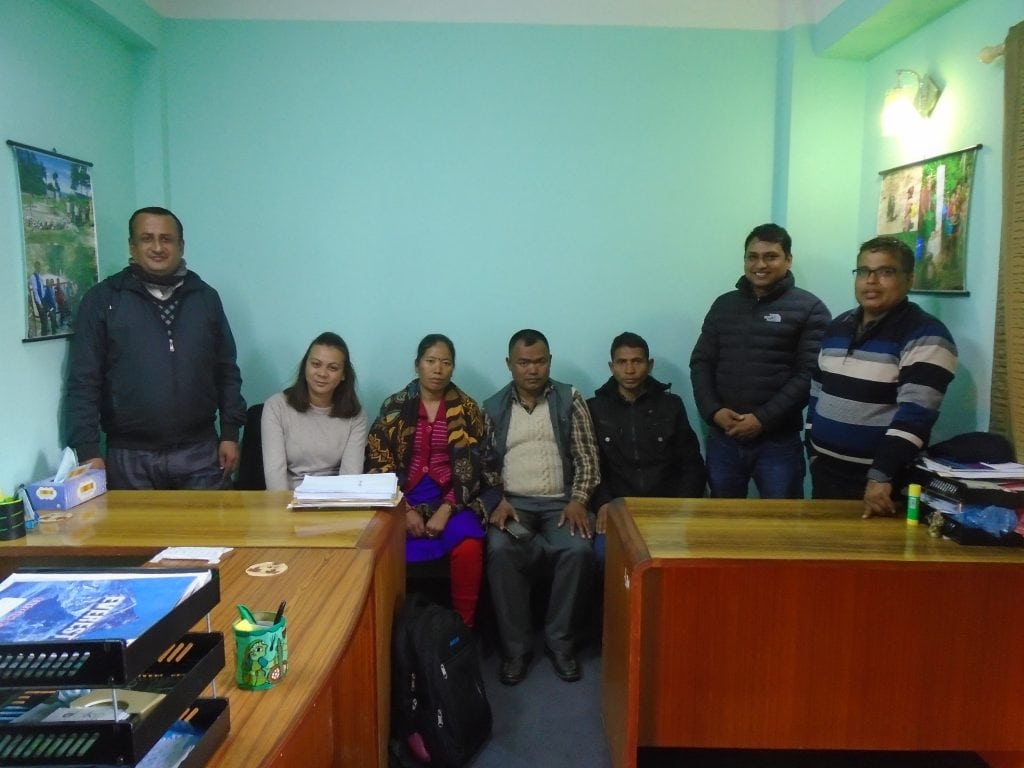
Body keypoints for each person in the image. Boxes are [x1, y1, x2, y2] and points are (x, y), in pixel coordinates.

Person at [66, 206, 246, 490]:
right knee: (136, 535)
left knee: (211, 534)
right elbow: (84, 381)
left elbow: (226, 370)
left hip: (200, 453)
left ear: (181, 245)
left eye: (167, 239)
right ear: (132, 246)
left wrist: (230, 433)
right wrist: (87, 450)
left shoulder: (205, 299)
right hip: (129, 458)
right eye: (147, 238)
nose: (158, 247)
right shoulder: (103, 301)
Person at [806, 236, 958, 518]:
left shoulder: (927, 335)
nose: (871, 281)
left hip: (882, 483)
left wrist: (881, 475)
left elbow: (916, 416)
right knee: (824, 556)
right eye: (863, 271)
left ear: (909, 279)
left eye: (885, 272)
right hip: (826, 473)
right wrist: (811, 449)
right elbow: (817, 390)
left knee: (871, 559)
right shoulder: (838, 326)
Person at [484, 329, 599, 685]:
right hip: (513, 504)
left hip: (561, 503)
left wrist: (579, 499)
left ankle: (560, 643)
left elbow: (587, 457)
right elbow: (484, 464)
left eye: (539, 361)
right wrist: (496, 500)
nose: (532, 370)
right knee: (501, 550)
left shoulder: (570, 399)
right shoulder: (491, 407)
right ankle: (516, 650)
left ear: (549, 361)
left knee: (578, 550)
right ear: (509, 365)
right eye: (523, 362)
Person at [365, 334, 502, 629]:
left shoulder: (467, 409)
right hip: (402, 497)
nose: (438, 369)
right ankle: (391, 630)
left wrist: (447, 508)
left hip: (454, 495)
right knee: (379, 545)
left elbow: (477, 465)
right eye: (430, 361)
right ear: (417, 366)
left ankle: (463, 628)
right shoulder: (394, 407)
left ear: (453, 368)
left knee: (468, 544)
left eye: (445, 362)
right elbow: (379, 462)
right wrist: (406, 508)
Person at [690, 223, 830, 499]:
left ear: (788, 260)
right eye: (752, 256)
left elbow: (809, 375)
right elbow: (701, 362)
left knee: (780, 526)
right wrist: (714, 411)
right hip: (724, 438)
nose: (760, 264)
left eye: (771, 256)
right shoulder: (724, 305)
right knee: (723, 524)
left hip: (777, 442)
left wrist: (762, 419)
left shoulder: (810, 309)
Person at [588, 332, 706, 556]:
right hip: (618, 509)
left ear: (649, 365)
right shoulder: (594, 408)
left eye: (637, 361)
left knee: (679, 557)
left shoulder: (671, 405)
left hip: (667, 508)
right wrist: (603, 503)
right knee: (604, 556)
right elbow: (591, 465)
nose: (630, 370)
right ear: (611, 366)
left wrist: (682, 507)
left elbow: (691, 464)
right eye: (622, 362)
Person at [261, 332, 368, 490]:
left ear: (343, 374)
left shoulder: (356, 416)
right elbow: (275, 476)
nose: (322, 374)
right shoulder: (276, 407)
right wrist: (284, 511)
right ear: (305, 366)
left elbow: (350, 478)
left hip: (335, 501)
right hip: (288, 501)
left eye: (332, 368)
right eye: (316, 364)